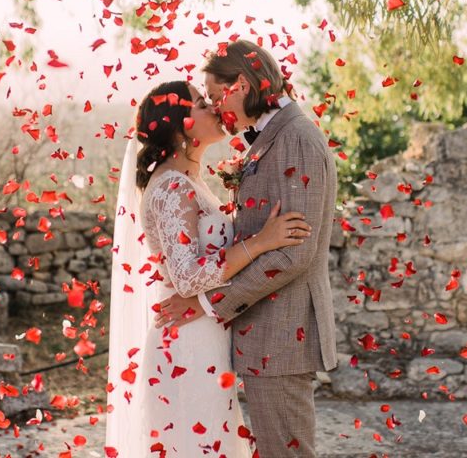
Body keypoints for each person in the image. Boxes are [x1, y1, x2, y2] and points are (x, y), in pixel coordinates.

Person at [105, 79, 312, 457]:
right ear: (178, 123)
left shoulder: (191, 181)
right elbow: (186, 278)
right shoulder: (170, 187)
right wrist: (262, 242)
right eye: (202, 103)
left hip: (206, 336)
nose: (214, 107)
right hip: (185, 344)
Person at [154, 40, 338, 457]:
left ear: (239, 84)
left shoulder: (295, 140)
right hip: (265, 334)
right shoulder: (274, 137)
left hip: (282, 333)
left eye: (216, 96)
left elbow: (294, 253)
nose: (217, 110)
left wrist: (208, 302)